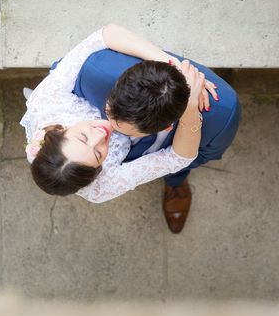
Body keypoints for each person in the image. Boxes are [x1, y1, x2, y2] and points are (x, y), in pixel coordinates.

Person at [70, 24, 242, 233]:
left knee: (181, 165)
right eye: (109, 110)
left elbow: (201, 155)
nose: (104, 130)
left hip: (176, 146)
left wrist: (189, 118)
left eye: (121, 127)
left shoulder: (222, 115)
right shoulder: (94, 71)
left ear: (167, 126)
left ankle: (175, 183)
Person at [20, 25, 206, 218]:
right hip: (138, 137)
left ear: (59, 130)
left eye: (83, 137)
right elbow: (178, 158)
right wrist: (189, 106)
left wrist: (171, 66)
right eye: (99, 154)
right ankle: (175, 183)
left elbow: (104, 36)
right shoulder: (102, 185)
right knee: (175, 153)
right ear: (98, 171)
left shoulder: (48, 103)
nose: (101, 134)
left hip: (121, 99)